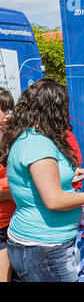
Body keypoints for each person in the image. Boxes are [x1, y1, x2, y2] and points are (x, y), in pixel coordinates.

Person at [0, 79, 84, 282]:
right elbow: (54, 200)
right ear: (52, 109)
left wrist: (70, 175)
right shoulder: (38, 144)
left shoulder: (31, 138)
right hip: (44, 247)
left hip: (41, 245)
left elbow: (39, 179)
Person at [0, 88, 14, 282]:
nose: (8, 115)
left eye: (9, 109)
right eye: (3, 109)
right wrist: (14, 191)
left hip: (12, 222)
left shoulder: (6, 138)